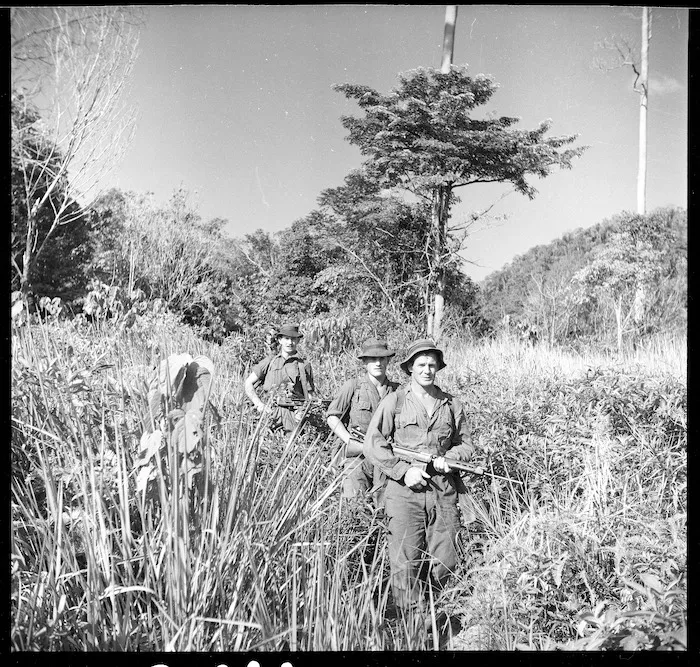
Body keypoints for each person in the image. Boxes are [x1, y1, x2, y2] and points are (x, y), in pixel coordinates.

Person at [363, 339, 474, 618]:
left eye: (432, 365)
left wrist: (450, 460)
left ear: (438, 368)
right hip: (404, 493)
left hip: (442, 490)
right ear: (410, 368)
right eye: (421, 364)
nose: (427, 370)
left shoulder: (451, 404)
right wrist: (404, 471)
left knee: (445, 558)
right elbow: (373, 443)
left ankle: (440, 616)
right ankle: (412, 624)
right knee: (405, 561)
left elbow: (467, 445)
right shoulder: (396, 401)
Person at [325, 338, 400, 502]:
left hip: (386, 458)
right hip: (357, 458)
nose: (378, 363)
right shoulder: (353, 386)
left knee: (386, 507)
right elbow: (332, 417)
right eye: (373, 359)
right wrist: (349, 440)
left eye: (382, 358)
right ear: (364, 362)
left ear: (388, 360)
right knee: (353, 503)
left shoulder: (398, 391)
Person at [244, 323, 316, 433]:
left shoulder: (304, 365)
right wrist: (259, 404)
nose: (290, 342)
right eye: (286, 338)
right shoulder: (270, 361)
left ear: (297, 341)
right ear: (280, 340)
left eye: (293, 339)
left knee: (292, 447)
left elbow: (309, 396)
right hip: (269, 413)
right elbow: (248, 383)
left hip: (293, 415)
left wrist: (302, 413)